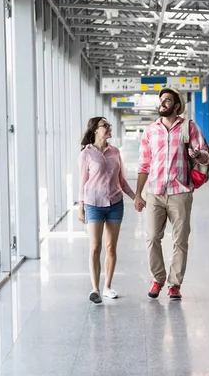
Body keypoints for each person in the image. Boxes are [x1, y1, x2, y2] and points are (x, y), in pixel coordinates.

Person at [134, 87, 209, 300]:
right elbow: (143, 165)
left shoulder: (189, 127)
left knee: (180, 240)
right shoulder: (150, 130)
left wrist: (197, 154)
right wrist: (138, 194)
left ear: (177, 105)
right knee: (151, 237)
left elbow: (205, 157)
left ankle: (174, 284)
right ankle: (157, 278)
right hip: (155, 192)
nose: (162, 103)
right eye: (161, 100)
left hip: (180, 192)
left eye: (167, 100)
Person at [78, 117, 135, 304]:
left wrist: (137, 197)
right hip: (93, 204)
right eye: (105, 126)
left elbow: (122, 180)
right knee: (95, 247)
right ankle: (94, 289)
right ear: (95, 130)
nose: (109, 128)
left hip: (115, 203)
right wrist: (81, 207)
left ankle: (107, 287)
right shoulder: (86, 154)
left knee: (111, 247)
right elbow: (82, 182)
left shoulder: (115, 152)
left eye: (109, 125)